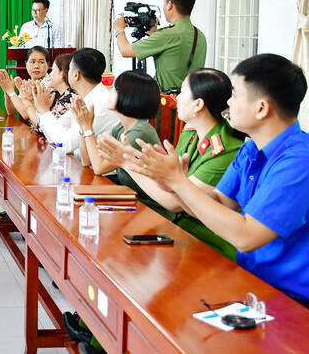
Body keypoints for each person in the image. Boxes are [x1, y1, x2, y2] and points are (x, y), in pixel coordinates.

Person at [121, 54, 309, 306]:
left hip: (290, 299)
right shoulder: (251, 148)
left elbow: (247, 236)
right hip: (252, 283)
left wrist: (178, 183)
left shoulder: (299, 161)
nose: (228, 101)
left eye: (235, 94)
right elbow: (220, 202)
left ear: (261, 108)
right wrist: (173, 184)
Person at [98, 68, 244, 260]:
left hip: (206, 242)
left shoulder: (224, 150)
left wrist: (127, 162)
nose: (176, 97)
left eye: (182, 92)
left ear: (198, 105)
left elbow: (173, 202)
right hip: (176, 228)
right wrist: (132, 158)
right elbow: (166, 179)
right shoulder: (191, 133)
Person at [72, 70, 168, 218]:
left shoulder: (139, 133)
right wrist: (83, 127)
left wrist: (88, 128)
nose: (110, 92)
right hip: (129, 201)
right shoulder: (122, 126)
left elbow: (99, 167)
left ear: (129, 96)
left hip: (149, 210)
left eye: (115, 89)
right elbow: (87, 160)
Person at [114, 0, 207, 91]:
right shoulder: (200, 36)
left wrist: (119, 29)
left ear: (170, 5)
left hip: (166, 104)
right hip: (190, 100)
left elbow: (125, 51)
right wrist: (154, 34)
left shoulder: (166, 35)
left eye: (164, 2)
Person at [34, 48, 119, 154]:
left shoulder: (99, 102)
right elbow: (54, 136)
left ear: (76, 74)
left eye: (69, 69)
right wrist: (43, 110)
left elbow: (65, 145)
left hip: (95, 169)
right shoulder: (83, 97)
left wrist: (44, 110)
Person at [0, 46, 49, 122]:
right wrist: (7, 92)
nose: (36, 66)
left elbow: (26, 114)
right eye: (32, 62)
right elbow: (12, 111)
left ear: (48, 64)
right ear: (26, 64)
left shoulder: (48, 83)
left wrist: (11, 91)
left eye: (41, 62)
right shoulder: (28, 83)